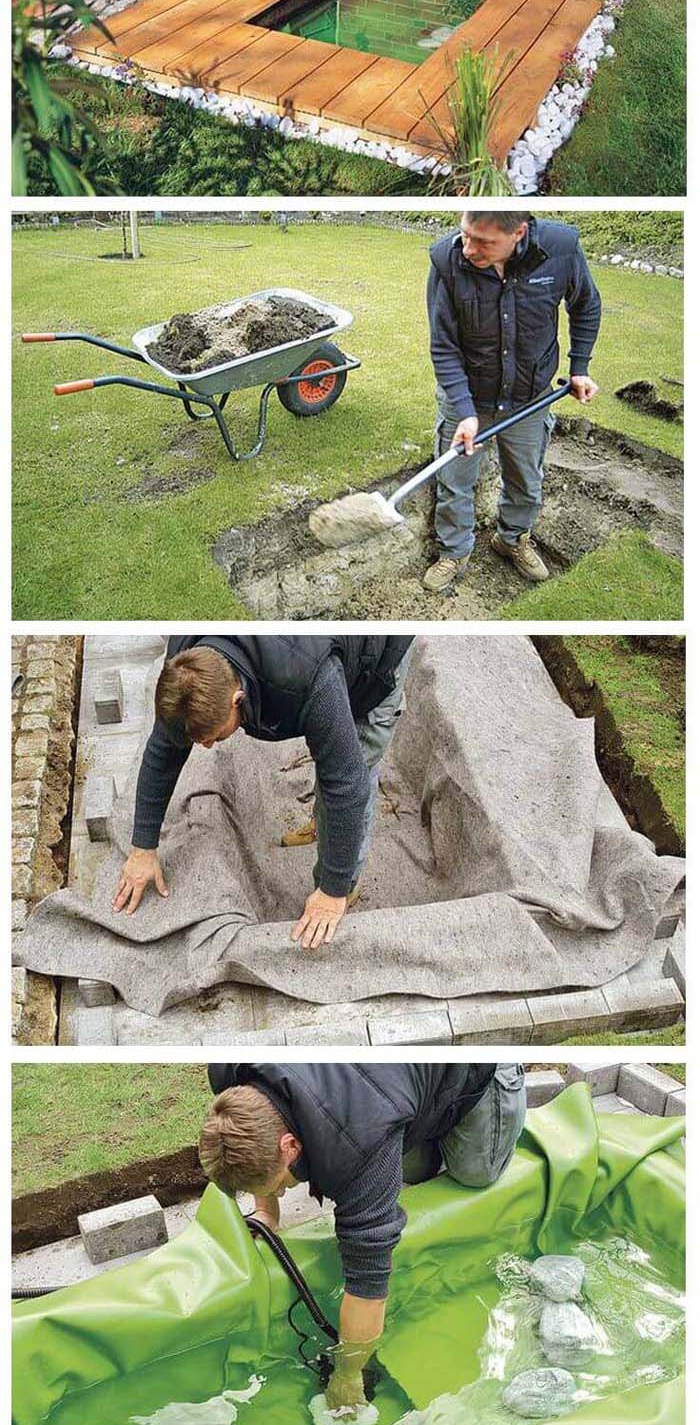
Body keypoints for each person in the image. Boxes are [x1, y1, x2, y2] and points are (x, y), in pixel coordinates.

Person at [200, 1060, 526, 1412]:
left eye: (279, 1187)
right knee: (413, 1168)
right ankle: (425, 1118)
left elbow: (368, 1282)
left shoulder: (359, 1146)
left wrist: (348, 1375)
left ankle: (502, 1088)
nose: (280, 1193)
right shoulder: (231, 1073)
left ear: (291, 1146)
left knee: (476, 1172)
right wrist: (266, 1212)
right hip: (385, 1085)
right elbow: (262, 1143)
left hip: (474, 1066)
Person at [112, 635, 414, 950]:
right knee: (334, 749)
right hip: (322, 662)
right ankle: (324, 827)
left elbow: (348, 785)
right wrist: (143, 848)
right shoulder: (183, 668)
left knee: (354, 764)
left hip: (375, 663)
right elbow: (163, 753)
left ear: (237, 699)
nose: (209, 746)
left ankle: (343, 890)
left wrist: (332, 890)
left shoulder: (307, 679)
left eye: (214, 737)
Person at [424, 210, 601, 592]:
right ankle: (455, 551)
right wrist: (466, 412)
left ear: (518, 232)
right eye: (465, 234)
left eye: (483, 242)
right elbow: (443, 346)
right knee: (455, 482)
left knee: (526, 478)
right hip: (467, 395)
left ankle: (512, 539)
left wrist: (579, 366)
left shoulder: (560, 249)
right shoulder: (447, 261)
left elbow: (585, 304)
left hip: (529, 397)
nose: (468, 248)